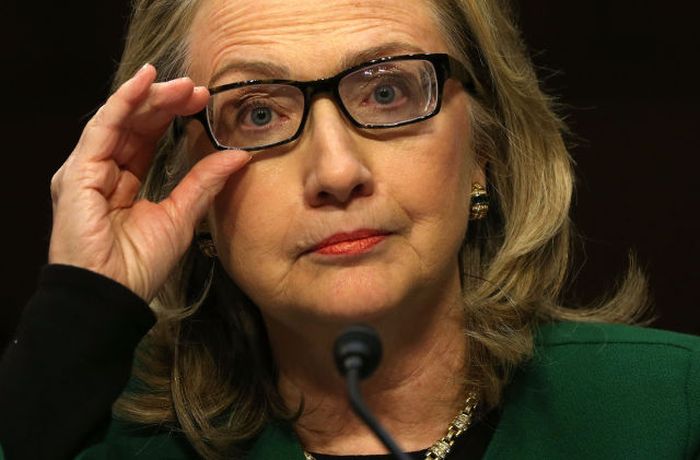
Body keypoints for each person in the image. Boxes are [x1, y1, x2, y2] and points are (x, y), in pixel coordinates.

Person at [1, 0, 698, 459]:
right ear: (185, 188)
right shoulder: (91, 440)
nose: (336, 171)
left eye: (388, 91)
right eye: (258, 113)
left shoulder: (671, 413)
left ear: (484, 149)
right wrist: (80, 309)